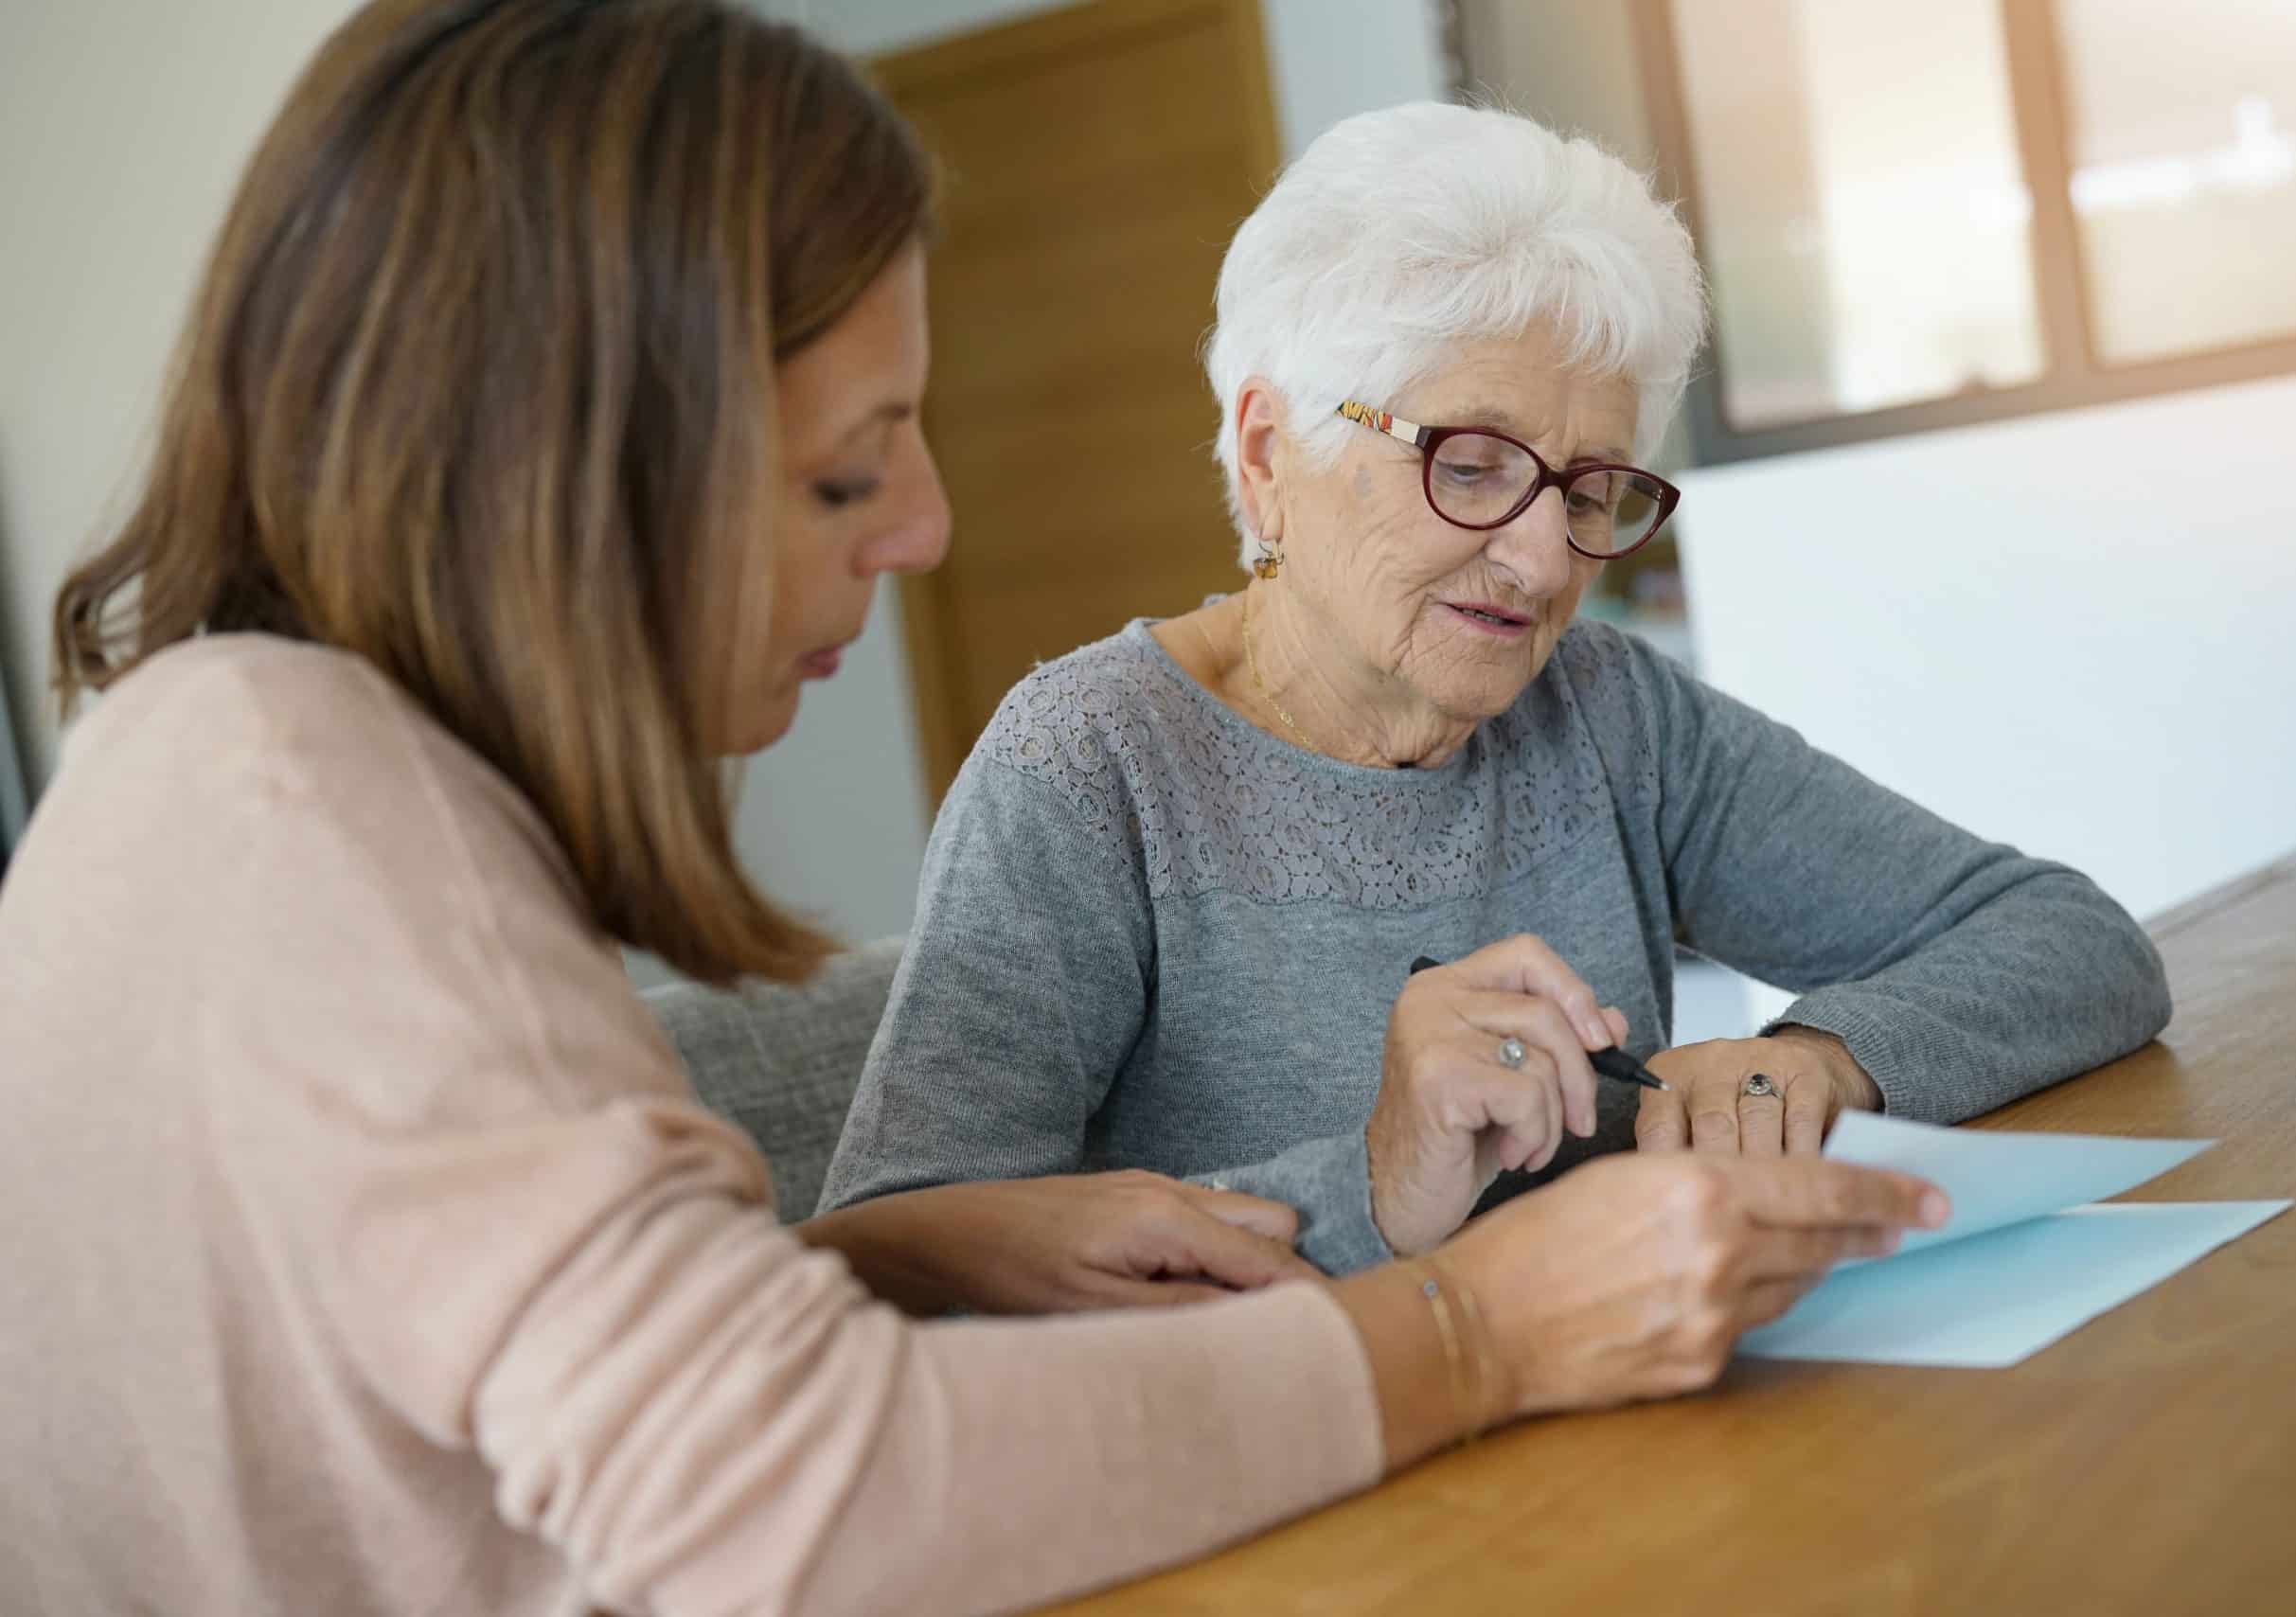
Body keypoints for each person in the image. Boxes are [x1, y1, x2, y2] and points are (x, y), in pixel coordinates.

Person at [0, 7, 1949, 1616]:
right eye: (847, 479)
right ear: (571, 472)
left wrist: (887, 1262)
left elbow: (445, 1404)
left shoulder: (238, 769)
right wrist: (1472, 1331)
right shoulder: (333, 839)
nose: (924, 530)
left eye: (1584, 486)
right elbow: (794, 1503)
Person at [820, 99, 2171, 1273]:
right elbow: (903, 1249)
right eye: (1470, 463)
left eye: (1591, 486)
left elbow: (2071, 942)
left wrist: (1819, 1056)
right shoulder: (1093, 763)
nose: (1539, 559)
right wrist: (1376, 1183)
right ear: (1270, 448)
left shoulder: (1603, 711)